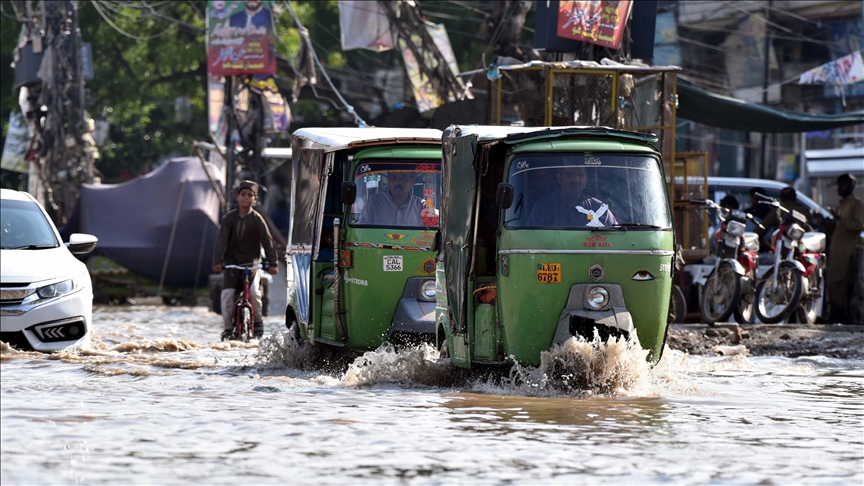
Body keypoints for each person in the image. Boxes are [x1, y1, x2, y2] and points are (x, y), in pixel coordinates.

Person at [213, 181, 278, 341]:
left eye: (250, 195)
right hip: (232, 265)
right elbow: (221, 241)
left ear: (255, 199)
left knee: (255, 294)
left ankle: (258, 323)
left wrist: (273, 263)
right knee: (227, 296)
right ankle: (228, 329)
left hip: (252, 265)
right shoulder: (229, 218)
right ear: (237, 197)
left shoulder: (257, 219)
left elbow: (268, 241)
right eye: (243, 194)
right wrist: (218, 261)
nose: (246, 198)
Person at [816, 174, 864, 323]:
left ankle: (843, 316)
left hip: (847, 250)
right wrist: (824, 221)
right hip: (836, 250)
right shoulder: (841, 204)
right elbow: (836, 227)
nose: (839, 188)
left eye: (842, 185)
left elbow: (859, 225)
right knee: (832, 283)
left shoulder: (856, 204)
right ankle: (836, 314)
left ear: (851, 186)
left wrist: (839, 219)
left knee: (840, 284)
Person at [528, 166, 617, 227]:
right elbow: (531, 239)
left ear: (586, 180)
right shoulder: (544, 207)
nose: (575, 180)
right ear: (559, 178)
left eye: (580, 175)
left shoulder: (598, 208)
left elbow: (616, 236)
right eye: (569, 174)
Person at [357, 171, 425, 226]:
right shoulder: (373, 203)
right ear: (388, 181)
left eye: (403, 179)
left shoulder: (422, 206)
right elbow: (362, 231)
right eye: (393, 178)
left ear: (412, 182)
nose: (398, 182)